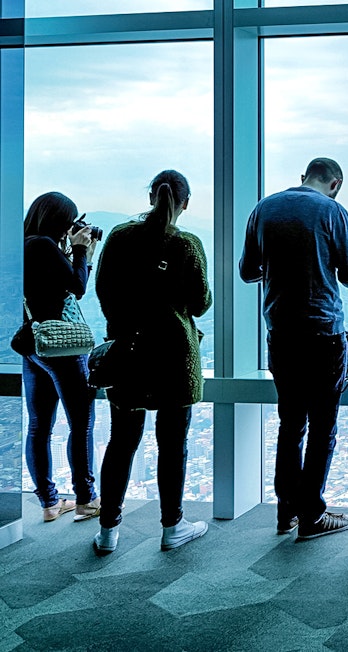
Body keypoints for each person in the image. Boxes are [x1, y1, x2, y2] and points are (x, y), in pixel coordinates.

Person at [239, 157, 348, 540]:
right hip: (323, 332)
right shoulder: (333, 211)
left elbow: (248, 271)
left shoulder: (264, 209)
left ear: (302, 178)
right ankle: (312, 515)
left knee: (291, 424)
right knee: (323, 427)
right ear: (335, 183)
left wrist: (279, 270)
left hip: (281, 332)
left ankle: (286, 512)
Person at [91, 170, 212, 555]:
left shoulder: (119, 237)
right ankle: (172, 526)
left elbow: (103, 292)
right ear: (186, 203)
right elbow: (200, 303)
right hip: (176, 355)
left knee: (122, 442)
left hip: (128, 351)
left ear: (150, 198)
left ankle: (109, 530)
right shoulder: (187, 245)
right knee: (173, 443)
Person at [19, 192, 100, 522]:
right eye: (70, 222)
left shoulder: (23, 245)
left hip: (33, 344)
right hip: (62, 347)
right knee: (81, 424)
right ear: (60, 221)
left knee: (39, 426)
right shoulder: (43, 245)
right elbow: (77, 288)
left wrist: (79, 254)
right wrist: (81, 251)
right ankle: (86, 499)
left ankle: (50, 503)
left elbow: (61, 285)